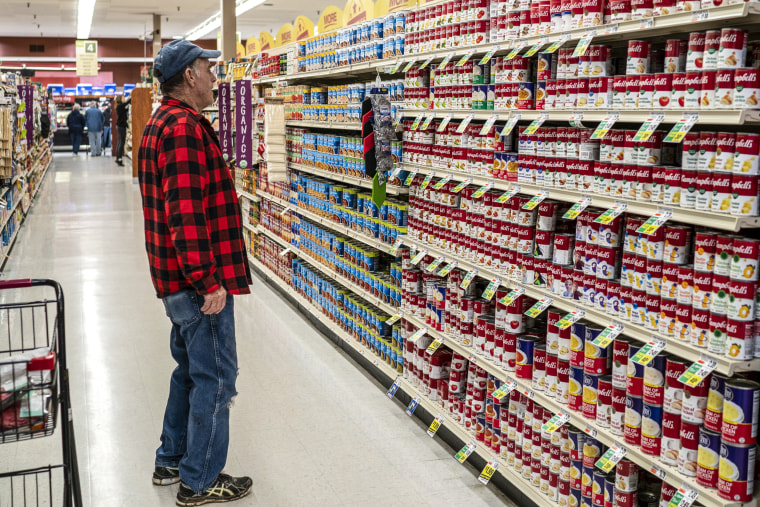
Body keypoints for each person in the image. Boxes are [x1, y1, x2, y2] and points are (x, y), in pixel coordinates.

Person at [137, 39, 253, 507]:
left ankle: (171, 459)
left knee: (188, 370)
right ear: (189, 76)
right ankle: (200, 480)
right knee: (216, 379)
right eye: (208, 68)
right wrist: (208, 281)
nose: (214, 78)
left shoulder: (162, 122)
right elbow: (184, 215)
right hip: (195, 284)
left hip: (174, 281)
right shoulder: (183, 128)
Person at [114, 95, 130, 166]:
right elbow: (128, 102)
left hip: (120, 125)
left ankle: (118, 158)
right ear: (120, 99)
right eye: (123, 98)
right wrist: (131, 97)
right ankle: (119, 158)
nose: (124, 99)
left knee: (120, 142)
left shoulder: (120, 107)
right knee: (121, 142)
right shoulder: (120, 106)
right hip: (121, 126)